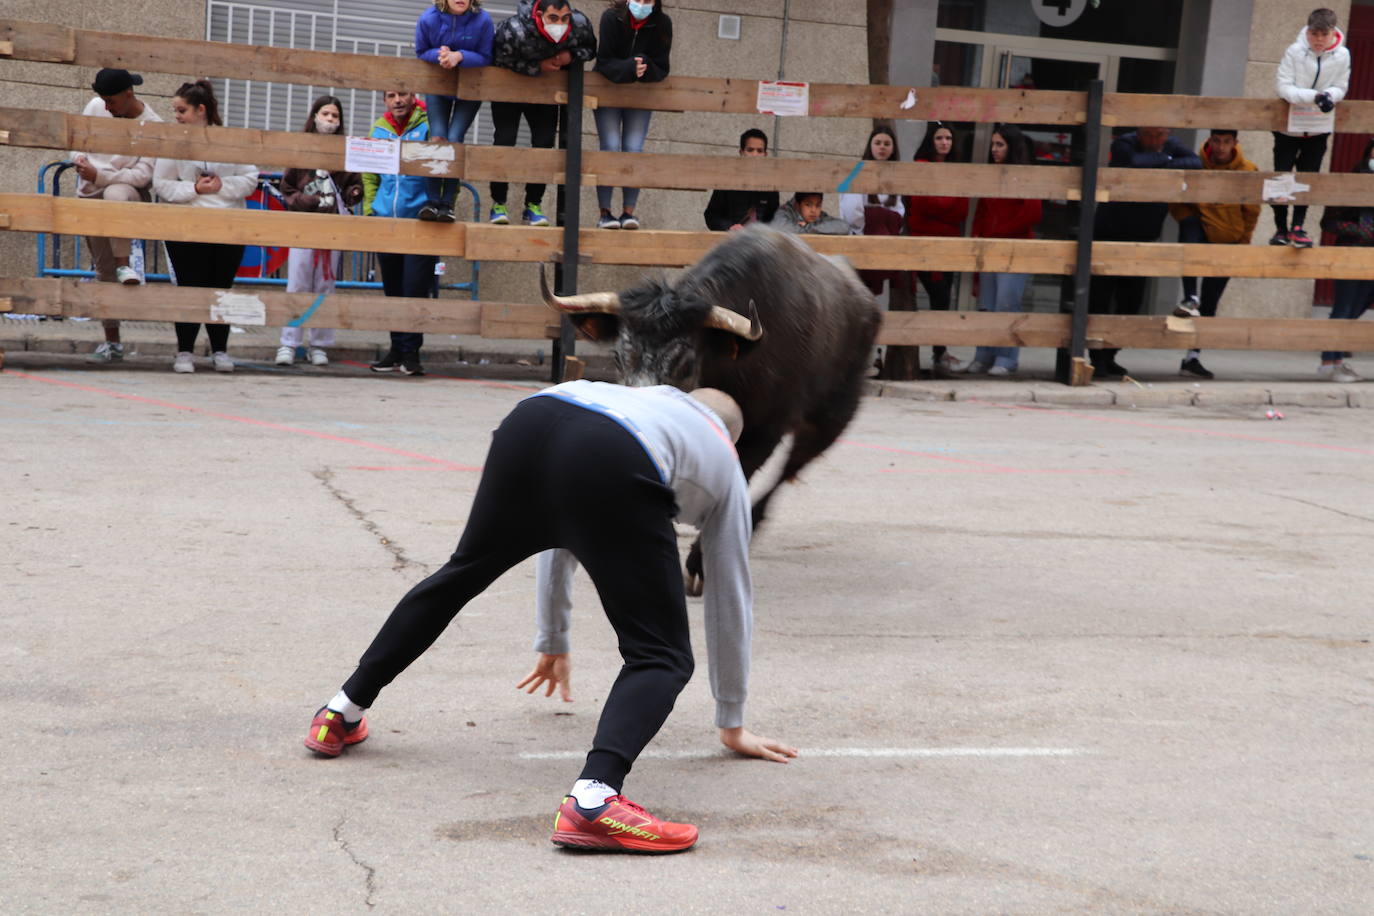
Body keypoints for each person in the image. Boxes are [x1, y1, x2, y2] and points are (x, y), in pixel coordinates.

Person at [304, 381, 796, 854]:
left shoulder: (639, 400)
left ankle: (339, 714)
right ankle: (594, 801)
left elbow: (561, 527)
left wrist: (554, 638)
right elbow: (730, 590)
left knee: (461, 575)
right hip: (612, 452)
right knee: (661, 655)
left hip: (533, 418)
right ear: (731, 436)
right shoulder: (723, 459)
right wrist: (732, 721)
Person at [152, 80, 258, 374]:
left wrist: (223, 186)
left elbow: (250, 179)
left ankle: (220, 350)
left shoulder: (231, 140)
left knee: (220, 287)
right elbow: (161, 185)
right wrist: (195, 189)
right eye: (175, 110)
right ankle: (184, 350)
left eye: (181, 110)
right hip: (186, 226)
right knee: (188, 286)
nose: (177, 116)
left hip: (228, 225)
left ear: (201, 110)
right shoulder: (172, 142)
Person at [1088, 126, 1201, 379]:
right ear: (1139, 133)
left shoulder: (1171, 144)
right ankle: (1096, 357)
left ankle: (1110, 354)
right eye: (1150, 135)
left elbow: (1196, 162)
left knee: (1131, 302)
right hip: (1110, 236)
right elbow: (1132, 162)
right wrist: (1168, 161)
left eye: (1160, 135)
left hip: (1143, 239)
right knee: (1100, 300)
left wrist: (1162, 160)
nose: (1155, 140)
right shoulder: (1124, 144)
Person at [74, 68, 163, 363]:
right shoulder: (97, 106)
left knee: (117, 193)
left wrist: (101, 174)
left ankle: (126, 264)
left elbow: (142, 175)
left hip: (125, 194)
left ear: (129, 94)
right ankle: (112, 341)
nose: (107, 107)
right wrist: (81, 161)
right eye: (103, 100)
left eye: (111, 101)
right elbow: (77, 141)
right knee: (103, 270)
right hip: (90, 191)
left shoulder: (152, 124)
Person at [488, 0, 597, 227]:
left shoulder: (579, 24)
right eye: (553, 18)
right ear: (539, 15)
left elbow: (590, 49)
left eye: (564, 18)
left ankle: (533, 205)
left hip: (546, 93)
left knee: (544, 142)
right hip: (509, 89)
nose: (560, 24)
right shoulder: (513, 30)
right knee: (504, 140)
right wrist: (537, 67)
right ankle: (498, 203)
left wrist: (571, 56)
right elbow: (497, 58)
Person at [274, 96, 364, 367]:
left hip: (332, 228)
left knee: (325, 284)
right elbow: (287, 188)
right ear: (314, 116)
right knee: (298, 283)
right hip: (303, 226)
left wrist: (354, 192)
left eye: (335, 116)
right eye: (325, 114)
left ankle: (319, 344)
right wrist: (305, 201)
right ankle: (289, 343)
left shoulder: (345, 152)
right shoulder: (300, 151)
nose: (330, 120)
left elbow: (354, 185)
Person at [1167, 129, 1259, 380]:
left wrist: (1243, 243)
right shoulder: (1196, 166)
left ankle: (1192, 358)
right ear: (1209, 141)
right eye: (1216, 141)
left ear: (1235, 143)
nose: (1220, 147)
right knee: (1189, 230)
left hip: (1228, 240)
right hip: (1200, 233)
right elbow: (1178, 199)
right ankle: (1190, 296)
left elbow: (1252, 212)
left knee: (1211, 302)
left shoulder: (1247, 170)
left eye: (1226, 142)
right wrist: (1188, 218)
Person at [362, 90, 437, 377]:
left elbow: (444, 168)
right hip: (386, 222)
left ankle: (411, 353)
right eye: (391, 96)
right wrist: (371, 209)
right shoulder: (378, 129)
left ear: (413, 96)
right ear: (384, 100)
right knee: (393, 290)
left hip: (420, 223)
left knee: (415, 288)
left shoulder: (428, 125)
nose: (397, 100)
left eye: (402, 94)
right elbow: (369, 173)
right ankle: (396, 350)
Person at [965, 124, 1041, 377]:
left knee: (1006, 303)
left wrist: (994, 234)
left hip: (1014, 249)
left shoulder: (1026, 174)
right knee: (987, 304)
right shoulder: (992, 174)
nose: (994, 150)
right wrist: (977, 236)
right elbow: (982, 212)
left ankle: (1006, 359)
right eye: (993, 145)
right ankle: (983, 356)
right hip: (990, 247)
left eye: (1000, 145)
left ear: (1012, 147)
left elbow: (1032, 213)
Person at [1272, 8, 1350, 249]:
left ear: (1332, 34)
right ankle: (1280, 228)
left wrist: (1330, 95)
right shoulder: (1294, 51)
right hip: (1289, 125)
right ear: (1307, 32)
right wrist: (1313, 96)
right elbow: (1283, 86)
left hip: (1317, 126)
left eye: (1323, 35)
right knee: (1282, 174)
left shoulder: (1342, 55)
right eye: (1314, 34)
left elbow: (1341, 85)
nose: (1318, 40)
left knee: (1309, 175)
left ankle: (1298, 226)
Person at [592, 0, 672, 230]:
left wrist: (644, 65)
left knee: (634, 149)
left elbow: (662, 67)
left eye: (648, 0)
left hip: (640, 94)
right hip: (608, 89)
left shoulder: (662, 23)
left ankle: (628, 212)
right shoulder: (611, 17)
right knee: (610, 146)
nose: (643, 4)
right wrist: (628, 68)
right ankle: (605, 212)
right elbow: (604, 60)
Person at [415, 0, 494, 223]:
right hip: (438, 88)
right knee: (438, 138)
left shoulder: (483, 20)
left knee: (455, 138)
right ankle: (431, 201)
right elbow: (421, 51)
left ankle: (447, 203)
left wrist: (460, 56)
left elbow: (487, 56)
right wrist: (440, 56)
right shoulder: (428, 18)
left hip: (469, 91)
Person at [904, 122, 968, 376]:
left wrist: (945, 205)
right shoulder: (921, 167)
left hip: (950, 244)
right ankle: (920, 352)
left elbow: (961, 209)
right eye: (940, 138)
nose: (944, 142)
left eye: (948, 138)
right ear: (931, 140)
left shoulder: (956, 170)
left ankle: (939, 353)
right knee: (929, 293)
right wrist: (948, 205)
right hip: (923, 242)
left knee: (943, 298)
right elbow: (924, 205)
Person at [1317, 139, 1374, 383]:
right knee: (1344, 306)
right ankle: (1329, 362)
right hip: (1351, 252)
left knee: (1361, 304)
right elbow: (1328, 221)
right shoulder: (1351, 181)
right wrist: (1362, 229)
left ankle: (1339, 357)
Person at [840, 126, 905, 295]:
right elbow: (851, 208)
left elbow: (899, 211)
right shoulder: (857, 171)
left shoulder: (897, 176)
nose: (882, 147)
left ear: (893, 149)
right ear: (870, 146)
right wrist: (866, 227)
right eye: (877, 143)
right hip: (862, 237)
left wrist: (886, 219)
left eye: (886, 143)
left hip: (884, 241)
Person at [703, 129, 779, 231]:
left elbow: (774, 217)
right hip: (730, 240)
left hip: (760, 241)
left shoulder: (771, 183)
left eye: (759, 151)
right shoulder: (727, 180)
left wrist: (764, 232)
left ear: (765, 154)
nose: (755, 155)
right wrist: (729, 227)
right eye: (750, 150)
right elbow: (712, 214)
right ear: (741, 152)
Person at [770, 191, 850, 235]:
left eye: (818, 205)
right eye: (808, 205)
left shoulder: (820, 216)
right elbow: (779, 226)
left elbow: (844, 226)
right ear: (797, 205)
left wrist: (809, 228)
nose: (813, 210)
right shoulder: (786, 211)